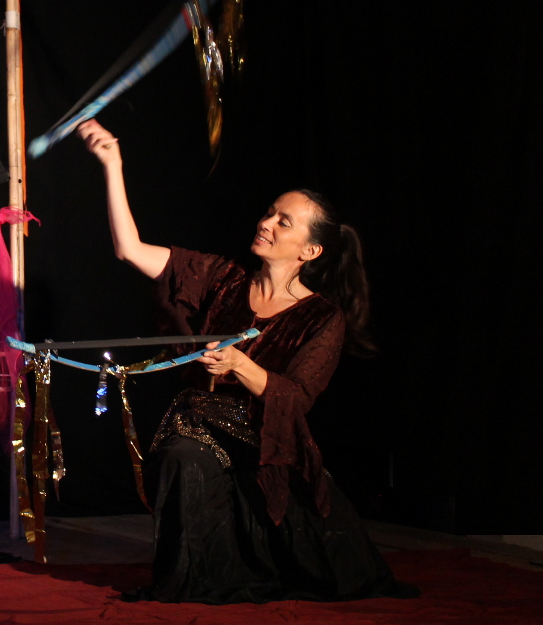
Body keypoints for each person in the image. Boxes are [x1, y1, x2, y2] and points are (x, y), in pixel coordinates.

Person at [77, 119, 413, 604]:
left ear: (310, 251)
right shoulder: (221, 277)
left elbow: (296, 398)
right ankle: (198, 578)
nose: (266, 223)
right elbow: (129, 250)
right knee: (182, 457)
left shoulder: (322, 318)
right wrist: (113, 163)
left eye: (284, 222)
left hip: (265, 435)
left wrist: (240, 364)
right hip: (200, 425)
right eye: (269, 212)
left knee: (336, 565)